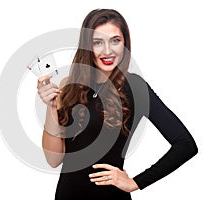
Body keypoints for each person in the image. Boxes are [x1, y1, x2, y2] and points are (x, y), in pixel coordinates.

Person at [37, 9, 198, 199]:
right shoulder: (70, 86)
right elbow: (54, 160)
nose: (107, 50)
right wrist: (52, 107)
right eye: (98, 42)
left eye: (115, 40)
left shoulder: (135, 87)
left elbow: (186, 144)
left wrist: (136, 182)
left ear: (125, 44)